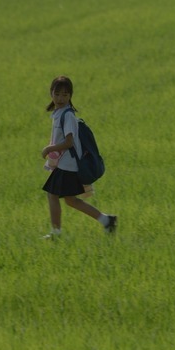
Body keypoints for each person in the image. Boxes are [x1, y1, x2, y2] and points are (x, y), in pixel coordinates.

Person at [40, 75, 116, 239]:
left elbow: (68, 142)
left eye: (65, 95)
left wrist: (49, 148)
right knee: (70, 200)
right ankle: (107, 220)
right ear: (51, 93)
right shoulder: (57, 113)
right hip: (66, 164)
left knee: (52, 195)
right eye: (57, 94)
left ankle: (56, 234)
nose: (61, 98)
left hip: (68, 165)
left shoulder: (67, 115)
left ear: (70, 96)